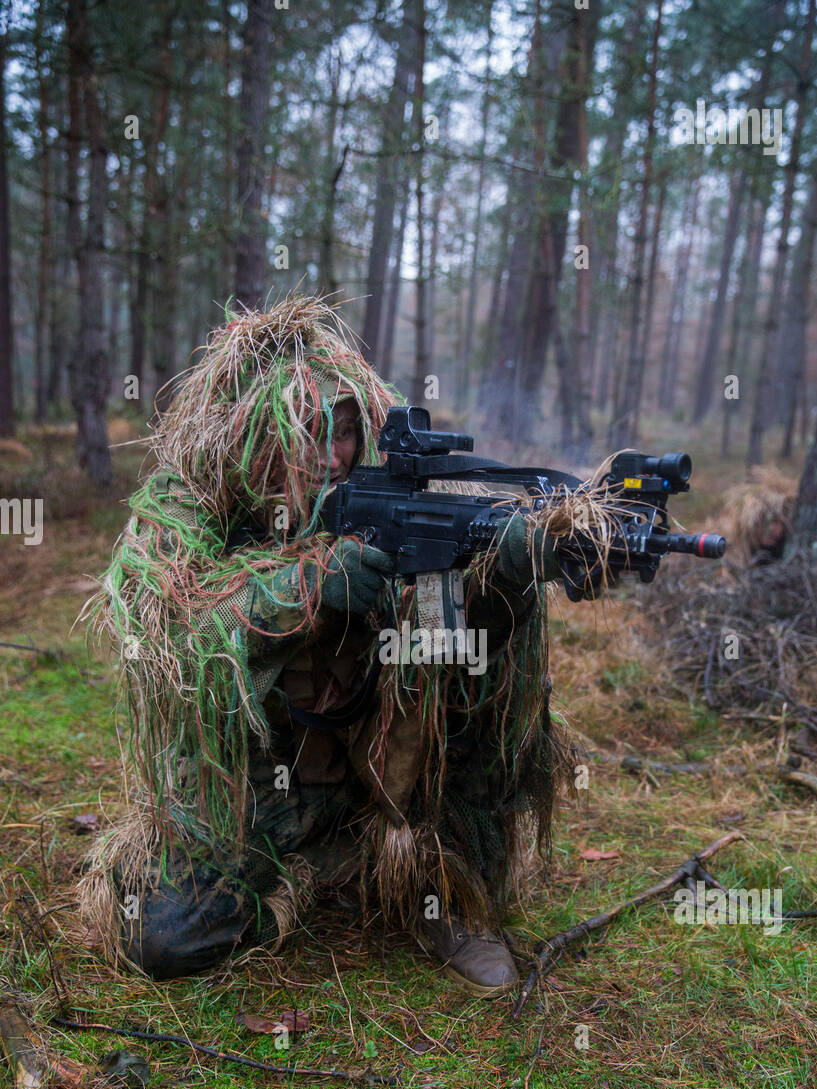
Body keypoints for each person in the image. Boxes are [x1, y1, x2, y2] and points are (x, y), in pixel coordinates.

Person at [77, 293, 600, 998]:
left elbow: (462, 651)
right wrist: (304, 589)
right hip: (250, 791)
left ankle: (437, 884)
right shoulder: (190, 501)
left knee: (474, 650)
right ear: (254, 432)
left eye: (347, 431)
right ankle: (317, 876)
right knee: (165, 935)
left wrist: (500, 576)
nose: (331, 453)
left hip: (377, 773)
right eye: (308, 429)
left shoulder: (392, 494)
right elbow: (168, 636)